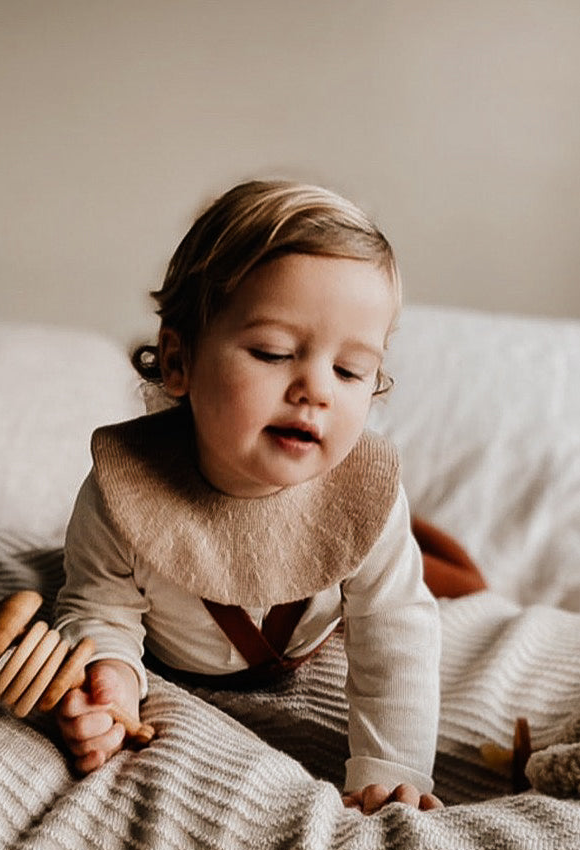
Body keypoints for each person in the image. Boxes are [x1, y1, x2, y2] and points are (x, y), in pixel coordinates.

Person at [54, 179, 443, 814]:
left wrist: (390, 767)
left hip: (307, 651)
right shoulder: (125, 491)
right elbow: (102, 611)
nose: (316, 389)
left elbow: (395, 628)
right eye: (273, 352)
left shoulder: (365, 495)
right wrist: (113, 688)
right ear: (178, 360)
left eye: (350, 371)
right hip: (179, 670)